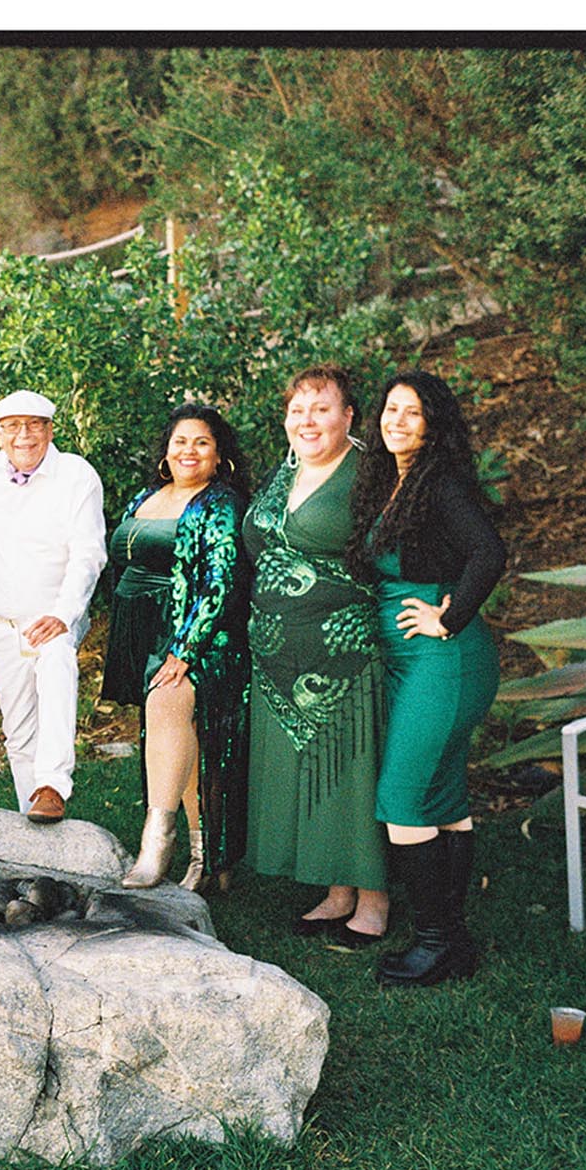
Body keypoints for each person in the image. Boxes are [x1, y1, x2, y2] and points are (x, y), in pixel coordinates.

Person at [346, 369, 506, 986]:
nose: (397, 421)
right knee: (444, 799)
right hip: (412, 662)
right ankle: (452, 942)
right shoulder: (393, 481)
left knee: (404, 797)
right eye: (391, 409)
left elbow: (488, 552)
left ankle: (436, 941)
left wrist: (448, 616)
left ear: (433, 425)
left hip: (445, 659)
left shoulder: (439, 484)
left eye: (412, 413)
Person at [239, 366, 391, 947]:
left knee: (352, 772)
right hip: (280, 660)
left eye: (321, 409)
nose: (307, 421)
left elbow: (398, 552)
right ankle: (338, 889)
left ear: (349, 416)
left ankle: (374, 899)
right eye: (297, 410)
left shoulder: (370, 475)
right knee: (316, 777)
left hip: (344, 659)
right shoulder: (286, 470)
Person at [104, 403, 251, 891]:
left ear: (219, 456)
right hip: (148, 635)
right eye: (180, 441)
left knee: (169, 709)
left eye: (202, 442)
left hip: (204, 637)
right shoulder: (147, 496)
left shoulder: (221, 503)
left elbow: (221, 582)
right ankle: (207, 859)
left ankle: (156, 845)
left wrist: (185, 650)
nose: (190, 450)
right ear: (165, 452)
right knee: (175, 738)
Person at [0, 390, 108, 822]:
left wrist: (63, 615)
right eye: (12, 426)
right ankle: (34, 819)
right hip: (1, 621)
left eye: (34, 425)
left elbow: (89, 553)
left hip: (55, 615)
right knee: (19, 732)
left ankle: (52, 785)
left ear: (50, 429)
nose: (23, 436)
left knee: (56, 665)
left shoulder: (76, 475)